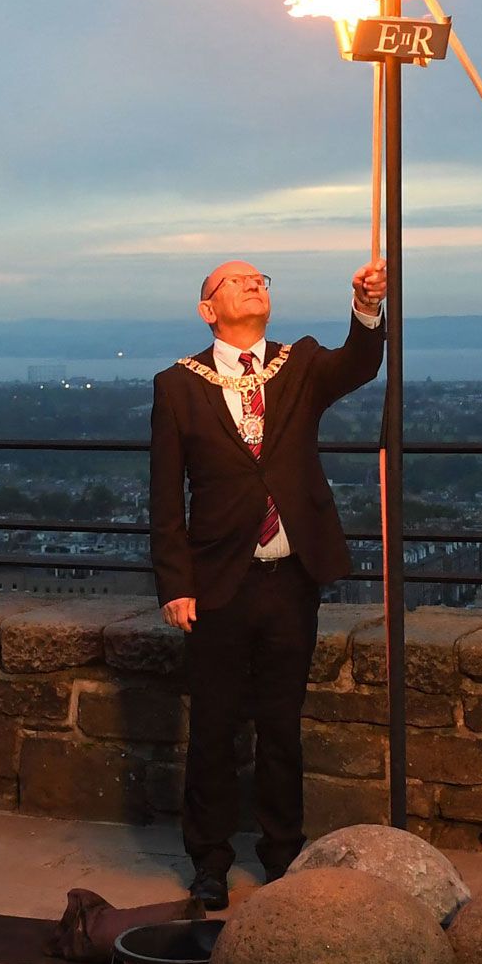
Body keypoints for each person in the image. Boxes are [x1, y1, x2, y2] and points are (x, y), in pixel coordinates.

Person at [149, 258, 389, 907]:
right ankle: (209, 859)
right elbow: (165, 496)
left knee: (282, 724)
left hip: (290, 578)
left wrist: (368, 309)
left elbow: (360, 365)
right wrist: (175, 583)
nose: (255, 284)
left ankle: (284, 854)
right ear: (208, 308)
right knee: (215, 727)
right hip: (216, 581)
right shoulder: (177, 385)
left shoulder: (301, 363)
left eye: (261, 279)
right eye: (237, 280)